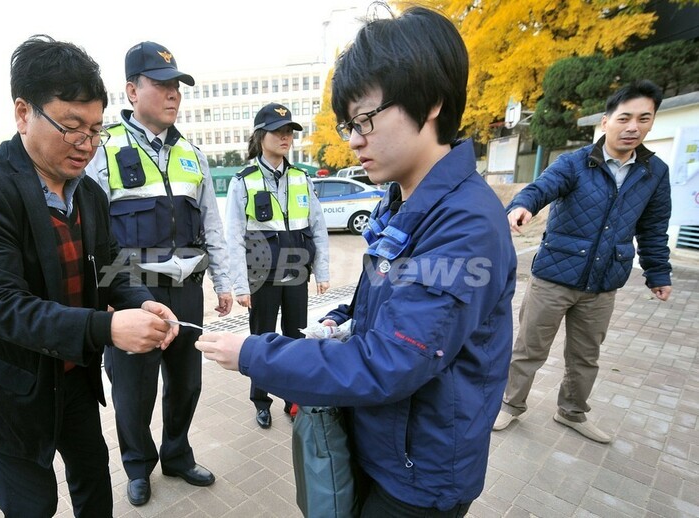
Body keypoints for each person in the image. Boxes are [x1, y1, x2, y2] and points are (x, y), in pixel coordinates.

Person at [196, 7, 517, 516]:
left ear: (430, 102)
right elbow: (393, 306)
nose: (352, 139)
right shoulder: (404, 200)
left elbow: (391, 361)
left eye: (365, 119)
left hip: (417, 473)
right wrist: (344, 319)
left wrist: (254, 355)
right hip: (385, 441)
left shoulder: (463, 224)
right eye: (349, 123)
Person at [0, 35, 179, 517]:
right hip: (6, 387)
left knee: (93, 485)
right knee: (34, 505)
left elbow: (109, 269)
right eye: (71, 128)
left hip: (73, 377)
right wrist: (107, 328)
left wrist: (137, 301)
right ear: (23, 113)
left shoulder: (87, 194)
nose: (86, 145)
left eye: (95, 130)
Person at [85, 41, 233, 506]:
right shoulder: (105, 148)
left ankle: (177, 455)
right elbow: (90, 230)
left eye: (177, 87)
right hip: (132, 293)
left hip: (186, 290)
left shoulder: (193, 153)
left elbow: (211, 222)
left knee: (187, 382)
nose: (173, 95)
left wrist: (224, 282)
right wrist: (104, 296)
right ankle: (137, 466)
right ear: (131, 90)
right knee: (133, 389)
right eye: (162, 85)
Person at [492, 80, 673, 443]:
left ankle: (572, 412)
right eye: (624, 118)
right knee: (529, 349)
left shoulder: (655, 173)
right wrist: (522, 206)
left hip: (603, 284)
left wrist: (658, 272)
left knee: (585, 357)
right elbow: (541, 187)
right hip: (554, 277)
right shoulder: (574, 163)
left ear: (652, 122)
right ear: (606, 122)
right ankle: (510, 405)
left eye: (644, 118)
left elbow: (654, 228)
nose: (633, 127)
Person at [224, 102, 330, 429]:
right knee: (262, 339)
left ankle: (294, 397)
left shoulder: (301, 178)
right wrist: (240, 286)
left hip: (297, 271)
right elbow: (234, 237)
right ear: (261, 135)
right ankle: (261, 400)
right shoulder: (243, 181)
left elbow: (318, 227)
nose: (285, 137)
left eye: (289, 132)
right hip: (262, 275)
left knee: (296, 338)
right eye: (278, 131)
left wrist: (322, 272)